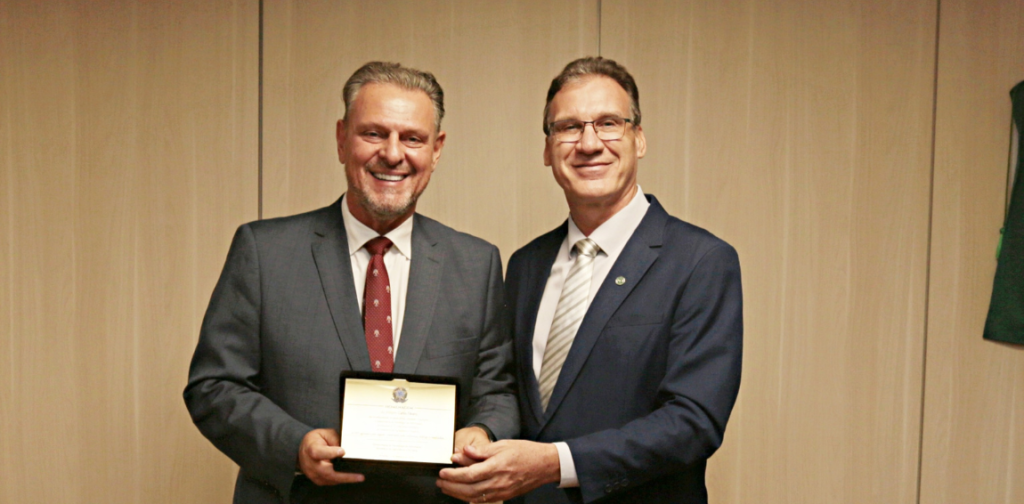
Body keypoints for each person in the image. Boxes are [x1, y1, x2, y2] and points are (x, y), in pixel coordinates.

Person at [185, 62, 518, 504]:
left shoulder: (476, 264)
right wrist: (294, 447)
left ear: (436, 150)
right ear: (342, 139)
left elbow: (498, 389)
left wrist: (482, 431)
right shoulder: (264, 252)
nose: (393, 154)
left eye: (412, 138)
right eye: (374, 134)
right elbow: (214, 387)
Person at [437, 57, 743, 504]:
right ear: (547, 150)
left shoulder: (701, 261)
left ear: (639, 139)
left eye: (608, 124)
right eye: (568, 127)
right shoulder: (525, 265)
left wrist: (556, 464)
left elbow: (693, 422)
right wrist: (481, 432)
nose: (589, 143)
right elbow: (509, 392)